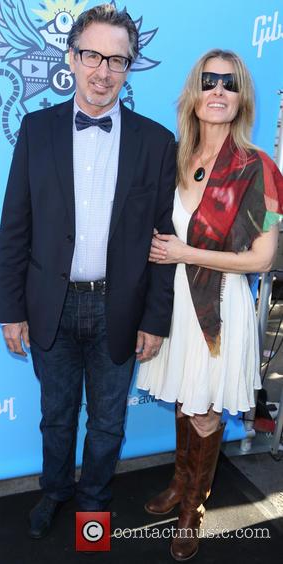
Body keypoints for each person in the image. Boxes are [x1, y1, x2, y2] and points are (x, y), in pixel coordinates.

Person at [0, 4, 176, 539]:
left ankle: (93, 503)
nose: (103, 70)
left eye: (117, 60)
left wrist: (155, 318)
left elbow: (163, 244)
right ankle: (55, 490)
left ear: (130, 67)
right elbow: (15, 228)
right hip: (50, 304)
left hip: (119, 307)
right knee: (55, 415)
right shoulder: (36, 130)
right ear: (71, 58)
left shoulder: (156, 141)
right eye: (92, 55)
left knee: (108, 422)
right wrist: (11, 311)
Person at [138, 48, 283, 561]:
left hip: (218, 307)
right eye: (209, 81)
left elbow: (264, 257)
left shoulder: (259, 167)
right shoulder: (174, 155)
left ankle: (193, 510)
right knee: (185, 397)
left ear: (242, 98)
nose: (218, 90)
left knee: (205, 410)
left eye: (230, 83)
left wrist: (184, 252)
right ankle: (182, 484)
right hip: (171, 303)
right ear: (194, 94)